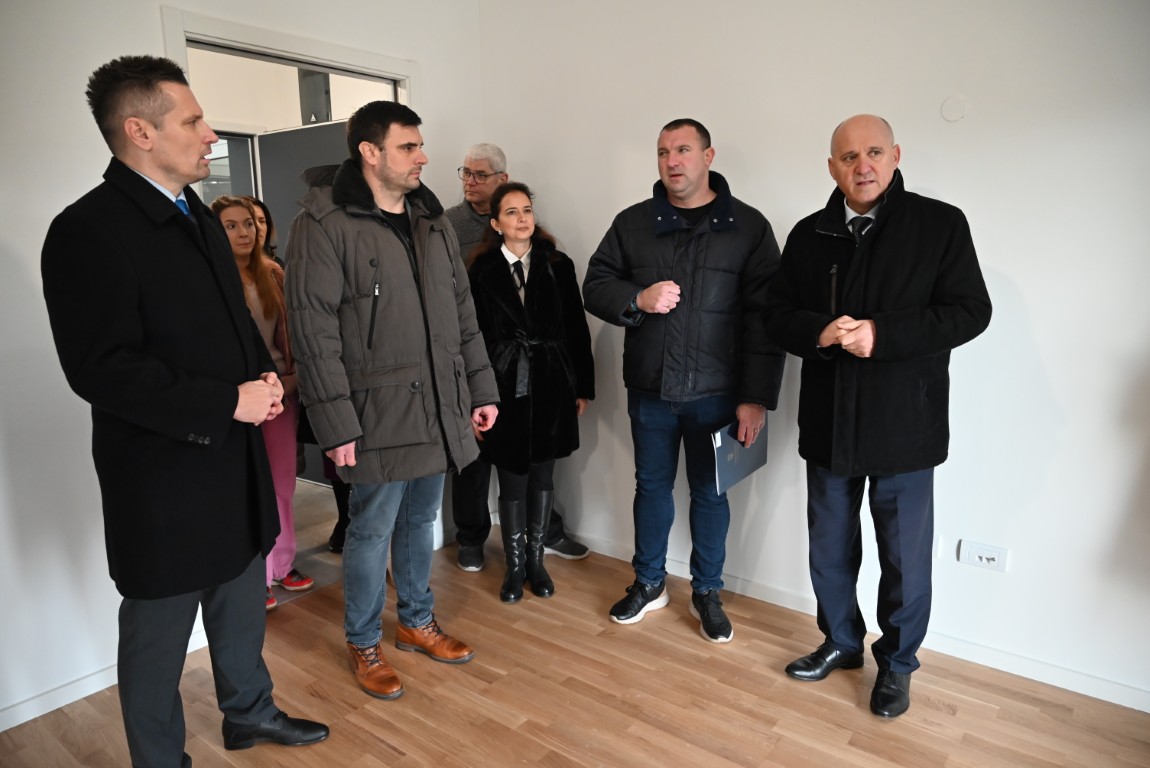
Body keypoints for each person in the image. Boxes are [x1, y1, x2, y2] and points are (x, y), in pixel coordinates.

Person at [40, 55, 328, 766]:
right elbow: (101, 369)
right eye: (194, 120)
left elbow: (228, 324)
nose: (210, 135)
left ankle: (248, 714)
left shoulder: (194, 214)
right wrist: (228, 401)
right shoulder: (86, 230)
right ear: (140, 131)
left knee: (240, 602)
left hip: (233, 461)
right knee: (157, 636)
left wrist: (262, 375)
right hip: (161, 477)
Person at [764, 114, 992, 718]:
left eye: (872, 152)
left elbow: (971, 311)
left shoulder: (940, 224)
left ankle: (897, 664)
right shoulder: (809, 233)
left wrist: (881, 335)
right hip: (829, 423)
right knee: (828, 549)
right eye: (847, 156)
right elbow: (775, 314)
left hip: (905, 426)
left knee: (904, 560)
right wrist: (819, 331)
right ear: (831, 167)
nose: (861, 165)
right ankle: (841, 642)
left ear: (895, 156)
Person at [285, 100, 500, 701]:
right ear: (370, 152)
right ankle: (363, 641)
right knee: (370, 529)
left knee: (421, 520)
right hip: (373, 412)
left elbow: (462, 314)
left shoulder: (431, 220)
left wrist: (480, 388)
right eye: (409, 146)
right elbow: (313, 332)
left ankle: (416, 621)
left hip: (439, 403)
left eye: (420, 145)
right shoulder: (322, 224)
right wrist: (336, 423)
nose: (423, 157)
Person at [583, 118, 785, 644]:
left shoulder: (749, 227)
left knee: (711, 495)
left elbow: (766, 319)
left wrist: (755, 398)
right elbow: (596, 284)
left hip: (718, 394)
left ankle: (707, 591)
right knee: (649, 488)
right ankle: (649, 582)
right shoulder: (632, 223)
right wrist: (638, 298)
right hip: (650, 389)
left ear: (708, 156)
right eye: (663, 152)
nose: (672, 161)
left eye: (683, 150)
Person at [445, 143, 590, 571]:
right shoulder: (472, 258)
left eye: (527, 210)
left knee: (541, 467)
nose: (470, 181)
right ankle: (479, 542)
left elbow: (575, 327)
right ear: (497, 222)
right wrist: (471, 389)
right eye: (466, 173)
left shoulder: (557, 265)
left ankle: (538, 550)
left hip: (548, 380)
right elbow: (467, 331)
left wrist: (581, 385)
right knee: (481, 464)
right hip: (495, 379)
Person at [211, 195, 314, 609]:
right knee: (246, 489)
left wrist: (290, 383)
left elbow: (291, 338)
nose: (244, 232)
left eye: (249, 224)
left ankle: (282, 563)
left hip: (280, 395)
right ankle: (257, 576)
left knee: (282, 484)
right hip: (238, 402)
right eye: (231, 225)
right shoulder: (212, 279)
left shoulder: (273, 274)